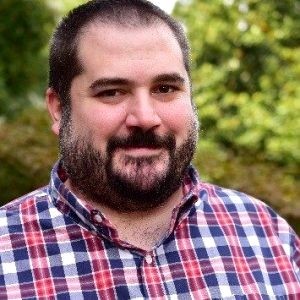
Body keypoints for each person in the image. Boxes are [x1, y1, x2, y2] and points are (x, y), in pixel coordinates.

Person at [0, 0, 299, 298]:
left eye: (165, 89)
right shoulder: (6, 253)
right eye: (112, 92)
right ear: (59, 110)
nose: (145, 118)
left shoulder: (267, 234)